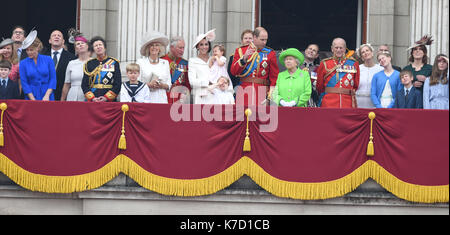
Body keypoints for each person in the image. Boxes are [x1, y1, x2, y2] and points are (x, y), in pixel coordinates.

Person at [230, 27, 279, 106]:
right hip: (244, 90)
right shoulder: (241, 51)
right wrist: (244, 58)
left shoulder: (270, 53)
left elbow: (274, 77)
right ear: (255, 38)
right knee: (242, 117)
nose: (264, 42)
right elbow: (233, 72)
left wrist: (269, 97)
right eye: (262, 40)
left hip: (262, 92)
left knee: (260, 117)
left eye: (266, 40)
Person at [316, 38, 360, 108]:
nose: (338, 50)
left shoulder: (354, 63)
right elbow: (319, 86)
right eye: (336, 48)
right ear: (332, 49)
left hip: (347, 103)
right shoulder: (324, 63)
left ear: (345, 49)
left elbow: (355, 85)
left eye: (341, 48)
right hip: (328, 103)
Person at [81, 36, 121, 102]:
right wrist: (92, 98)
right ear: (93, 49)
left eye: (100, 45)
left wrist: (106, 97)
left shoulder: (114, 62)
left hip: (109, 99)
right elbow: (84, 84)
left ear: (105, 47)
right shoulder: (89, 64)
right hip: (93, 98)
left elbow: (117, 83)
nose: (98, 47)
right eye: (96, 46)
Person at [136, 31, 171, 104]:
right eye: (151, 45)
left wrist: (161, 85)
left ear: (160, 48)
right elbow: (136, 83)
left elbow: (169, 85)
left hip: (161, 100)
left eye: (157, 45)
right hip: (145, 99)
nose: (154, 47)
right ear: (148, 48)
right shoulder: (140, 62)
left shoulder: (165, 63)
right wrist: (149, 85)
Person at [42, 30, 77, 101]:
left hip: (63, 95)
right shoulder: (42, 56)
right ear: (49, 41)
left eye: (59, 36)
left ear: (63, 41)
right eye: (54, 35)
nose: (56, 37)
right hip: (44, 95)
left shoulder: (71, 57)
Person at [19, 36, 57, 101]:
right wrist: (32, 99)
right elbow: (24, 83)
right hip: (31, 95)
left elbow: (53, 79)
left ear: (37, 48)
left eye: (31, 50)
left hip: (47, 95)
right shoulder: (23, 63)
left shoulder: (48, 59)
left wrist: (47, 95)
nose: (29, 52)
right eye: (27, 50)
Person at [161, 36, 191, 104]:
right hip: (164, 96)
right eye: (180, 48)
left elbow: (187, 84)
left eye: (183, 48)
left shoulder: (185, 63)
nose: (182, 50)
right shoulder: (162, 60)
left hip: (179, 98)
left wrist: (185, 94)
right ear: (172, 47)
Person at [61, 34, 91, 101]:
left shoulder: (94, 62)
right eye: (77, 44)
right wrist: (62, 101)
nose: (80, 45)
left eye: (82, 43)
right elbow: (67, 84)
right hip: (73, 94)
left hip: (89, 95)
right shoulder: (71, 63)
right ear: (75, 49)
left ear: (87, 46)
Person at [189, 29, 215, 104]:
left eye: (206, 44)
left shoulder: (214, 59)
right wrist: (208, 83)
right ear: (197, 47)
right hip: (199, 96)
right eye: (201, 44)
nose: (204, 47)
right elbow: (192, 81)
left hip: (214, 95)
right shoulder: (193, 61)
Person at [356, 43, 383, 108]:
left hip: (374, 103)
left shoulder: (381, 69)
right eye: (363, 52)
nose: (365, 53)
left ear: (372, 53)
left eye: (367, 50)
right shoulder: (357, 69)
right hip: (359, 103)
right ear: (361, 57)